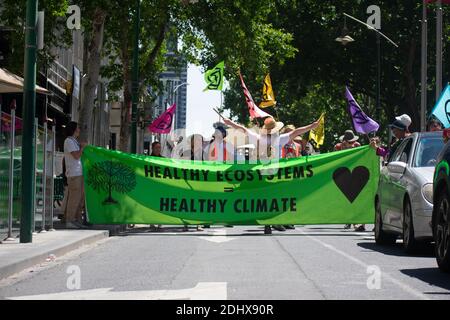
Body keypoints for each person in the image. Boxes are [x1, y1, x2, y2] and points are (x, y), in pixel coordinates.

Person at [223, 116, 320, 234]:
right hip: (274, 173)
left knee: (264, 198)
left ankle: (268, 222)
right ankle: (271, 222)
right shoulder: (279, 139)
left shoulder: (259, 138)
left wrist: (229, 122)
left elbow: (242, 129)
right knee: (274, 198)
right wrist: (312, 126)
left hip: (261, 174)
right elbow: (297, 131)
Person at [173, 134, 206, 232]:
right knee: (186, 203)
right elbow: (181, 166)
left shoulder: (202, 154)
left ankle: (198, 224)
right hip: (187, 181)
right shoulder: (186, 153)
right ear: (192, 142)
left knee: (199, 203)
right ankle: (185, 224)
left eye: (200, 141)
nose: (199, 143)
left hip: (198, 182)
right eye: (197, 141)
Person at [335, 130, 364, 231]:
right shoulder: (338, 147)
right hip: (344, 174)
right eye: (350, 142)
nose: (352, 144)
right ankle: (348, 220)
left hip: (356, 173)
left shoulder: (358, 145)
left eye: (353, 142)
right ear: (345, 141)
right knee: (346, 199)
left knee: (356, 198)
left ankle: (357, 221)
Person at [62, 121, 88, 229]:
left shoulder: (74, 141)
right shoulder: (69, 141)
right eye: (77, 128)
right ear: (73, 129)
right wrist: (82, 148)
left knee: (80, 198)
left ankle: (76, 219)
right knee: (74, 198)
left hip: (79, 173)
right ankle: (69, 220)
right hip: (74, 174)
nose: (79, 130)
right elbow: (76, 156)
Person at [149, 141, 163, 231]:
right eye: (156, 148)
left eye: (159, 148)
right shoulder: (148, 159)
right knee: (152, 204)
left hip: (160, 185)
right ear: (152, 148)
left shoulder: (163, 159)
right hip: (151, 185)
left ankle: (159, 222)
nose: (158, 149)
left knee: (160, 204)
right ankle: (151, 222)